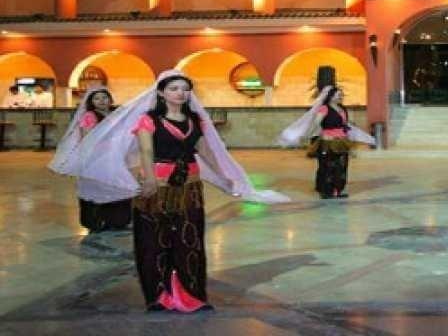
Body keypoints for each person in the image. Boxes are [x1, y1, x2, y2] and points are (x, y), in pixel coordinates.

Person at [63, 70, 288, 312]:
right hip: (156, 187)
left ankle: (192, 295)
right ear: (161, 92)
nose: (180, 93)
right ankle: (159, 296)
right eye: (174, 88)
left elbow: (206, 152)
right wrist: (148, 179)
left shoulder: (195, 121)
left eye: (184, 88)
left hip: (189, 188)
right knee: (154, 240)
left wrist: (225, 177)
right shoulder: (147, 120)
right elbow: (146, 152)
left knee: (189, 240)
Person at [49, 87, 131, 232]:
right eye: (97, 98)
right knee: (97, 189)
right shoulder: (89, 116)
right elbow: (88, 138)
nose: (101, 101)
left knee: (117, 186)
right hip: (97, 158)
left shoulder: (116, 114)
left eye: (104, 98)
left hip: (115, 157)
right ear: (91, 101)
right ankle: (96, 221)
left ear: (110, 99)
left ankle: (117, 220)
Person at [279, 85, 375, 199]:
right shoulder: (324, 108)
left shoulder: (342, 109)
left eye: (341, 95)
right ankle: (326, 191)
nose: (341, 97)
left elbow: (345, 124)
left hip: (342, 142)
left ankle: (337, 190)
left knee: (342, 166)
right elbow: (316, 123)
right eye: (338, 95)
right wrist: (310, 134)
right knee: (328, 166)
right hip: (328, 142)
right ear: (331, 96)